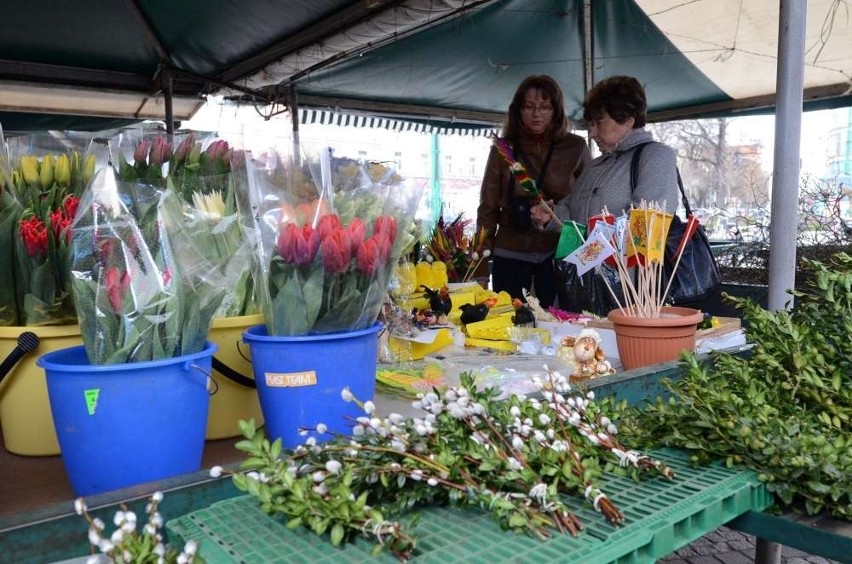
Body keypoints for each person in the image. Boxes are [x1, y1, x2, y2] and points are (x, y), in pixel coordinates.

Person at [531, 75, 679, 314]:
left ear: (628, 121)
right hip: (581, 291)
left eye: (599, 123)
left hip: (628, 298)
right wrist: (551, 216)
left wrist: (583, 259)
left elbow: (644, 230)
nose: (592, 133)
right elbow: (572, 214)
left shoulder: (656, 157)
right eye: (590, 124)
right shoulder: (595, 166)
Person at [475, 75, 590, 307]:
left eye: (545, 107)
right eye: (529, 106)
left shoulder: (576, 147)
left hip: (558, 252)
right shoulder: (503, 149)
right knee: (509, 324)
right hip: (511, 250)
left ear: (556, 110)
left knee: (560, 323)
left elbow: (587, 202)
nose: (537, 114)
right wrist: (479, 267)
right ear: (518, 110)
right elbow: (488, 207)